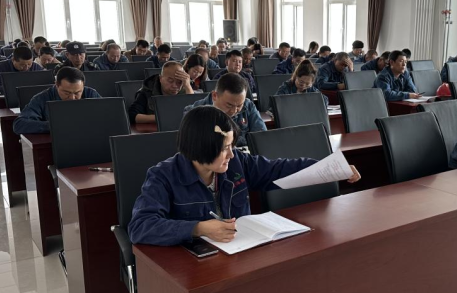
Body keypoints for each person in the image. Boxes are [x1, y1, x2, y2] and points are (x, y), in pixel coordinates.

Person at [128, 105, 361, 246]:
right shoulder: (163, 176)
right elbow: (140, 226)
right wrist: (198, 228)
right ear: (200, 148)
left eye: (232, 146)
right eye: (224, 148)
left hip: (241, 250)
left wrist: (330, 168)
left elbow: (277, 169)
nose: (231, 154)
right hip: (195, 261)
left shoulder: (237, 161)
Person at [183, 73, 266, 147]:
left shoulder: (248, 105)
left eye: (239, 105)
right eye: (229, 105)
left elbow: (261, 138)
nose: (234, 110)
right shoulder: (193, 113)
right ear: (215, 96)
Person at [13, 67, 101, 135]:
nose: (72, 98)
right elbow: (19, 125)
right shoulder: (42, 98)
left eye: (77, 93)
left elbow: (105, 116)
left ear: (83, 86)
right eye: (67, 93)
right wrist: (54, 126)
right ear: (56, 85)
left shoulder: (90, 94)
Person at [129, 61, 194, 124]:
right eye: (170, 81)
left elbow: (194, 113)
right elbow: (132, 116)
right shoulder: (147, 91)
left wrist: (188, 86)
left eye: (179, 82)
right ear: (160, 78)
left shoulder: (185, 89)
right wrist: (161, 118)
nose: (175, 86)